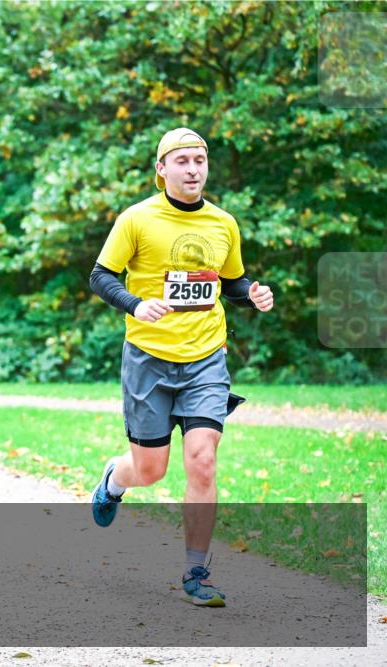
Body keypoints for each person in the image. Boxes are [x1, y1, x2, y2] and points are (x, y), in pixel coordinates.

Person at [88, 128, 274, 607]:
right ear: (162, 171)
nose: (193, 169)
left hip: (205, 357)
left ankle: (197, 572)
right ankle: (114, 478)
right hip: (149, 359)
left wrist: (251, 293)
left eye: (200, 160)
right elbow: (100, 275)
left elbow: (230, 282)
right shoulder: (137, 219)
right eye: (183, 161)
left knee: (202, 460)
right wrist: (134, 304)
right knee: (151, 470)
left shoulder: (223, 224)